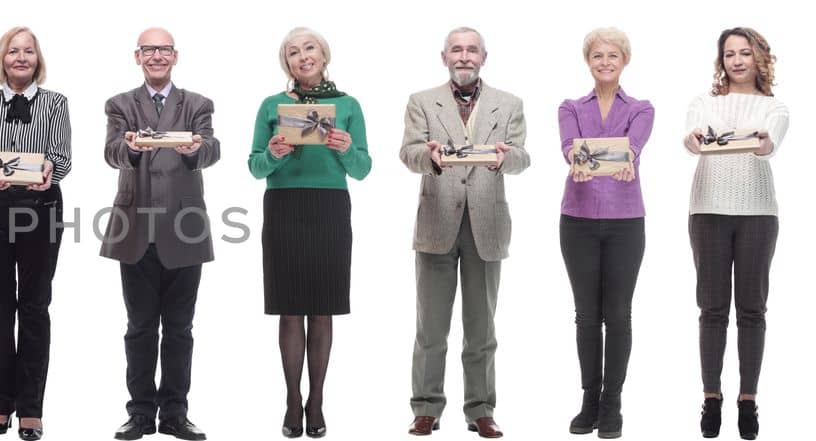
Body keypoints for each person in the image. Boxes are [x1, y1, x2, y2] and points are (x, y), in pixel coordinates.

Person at [397, 26, 529, 439]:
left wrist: (505, 160)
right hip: (437, 221)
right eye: (457, 50)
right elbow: (409, 152)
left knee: (481, 327)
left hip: (487, 225)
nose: (465, 56)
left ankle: (481, 409)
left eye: (472, 50)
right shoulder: (422, 101)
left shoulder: (509, 104)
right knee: (431, 328)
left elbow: (522, 157)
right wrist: (430, 157)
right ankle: (426, 407)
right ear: (444, 57)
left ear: (484, 57)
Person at [248, 27, 370, 439]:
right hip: (284, 207)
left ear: (323, 54)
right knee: (289, 308)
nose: (303, 56)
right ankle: (290, 398)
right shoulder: (272, 105)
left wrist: (345, 149)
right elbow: (255, 167)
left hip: (329, 208)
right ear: (287, 62)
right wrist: (274, 154)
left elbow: (363, 169)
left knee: (322, 307)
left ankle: (316, 399)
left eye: (310, 48)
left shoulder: (348, 105)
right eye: (294, 52)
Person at [102, 27, 219, 441]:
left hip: (184, 228)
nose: (156, 56)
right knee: (139, 327)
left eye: (163, 49)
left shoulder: (197, 104)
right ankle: (139, 414)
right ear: (138, 56)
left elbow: (212, 148)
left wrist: (196, 150)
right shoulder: (120, 104)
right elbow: (112, 151)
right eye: (148, 49)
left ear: (175, 56)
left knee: (180, 328)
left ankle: (175, 414)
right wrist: (131, 146)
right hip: (135, 228)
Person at [681, 27, 787, 441]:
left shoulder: (775, 106)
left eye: (745, 53)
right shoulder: (703, 102)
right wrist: (692, 139)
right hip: (708, 210)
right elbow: (691, 137)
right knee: (711, 309)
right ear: (721, 60)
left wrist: (761, 142)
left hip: (757, 214)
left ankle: (747, 400)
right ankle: (711, 398)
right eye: (730, 54)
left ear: (760, 58)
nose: (737, 61)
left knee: (752, 310)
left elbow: (769, 145)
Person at [0, 26, 70, 441]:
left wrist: (50, 170)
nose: (21, 58)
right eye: (14, 51)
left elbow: (61, 155)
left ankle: (31, 408)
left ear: (37, 58)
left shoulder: (56, 102)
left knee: (34, 306)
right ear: (3, 58)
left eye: (29, 51)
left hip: (41, 207)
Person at [555, 27, 652, 440]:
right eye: (598, 56)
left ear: (624, 60)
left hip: (626, 221)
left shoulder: (641, 107)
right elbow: (570, 147)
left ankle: (613, 401)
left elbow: (633, 145)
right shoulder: (570, 106)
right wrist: (584, 157)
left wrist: (622, 155)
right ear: (588, 61)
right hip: (577, 219)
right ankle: (589, 397)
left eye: (613, 55)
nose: (605, 62)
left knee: (618, 314)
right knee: (586, 315)